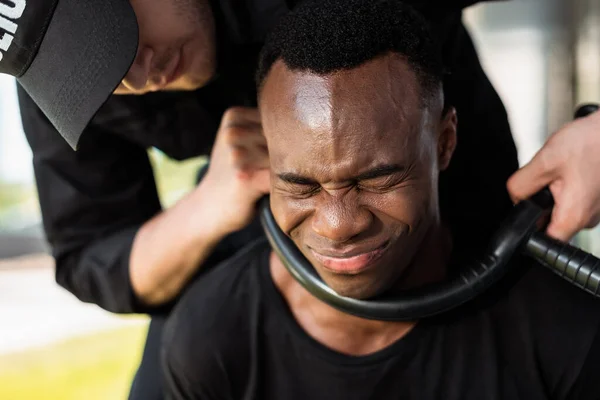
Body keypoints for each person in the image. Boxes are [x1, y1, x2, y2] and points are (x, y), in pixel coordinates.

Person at [3, 0, 597, 398]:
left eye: (118, 38)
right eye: (89, 68)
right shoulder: (76, 90)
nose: (133, 75)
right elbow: (91, 258)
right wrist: (210, 206)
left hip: (458, 229)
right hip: (254, 258)